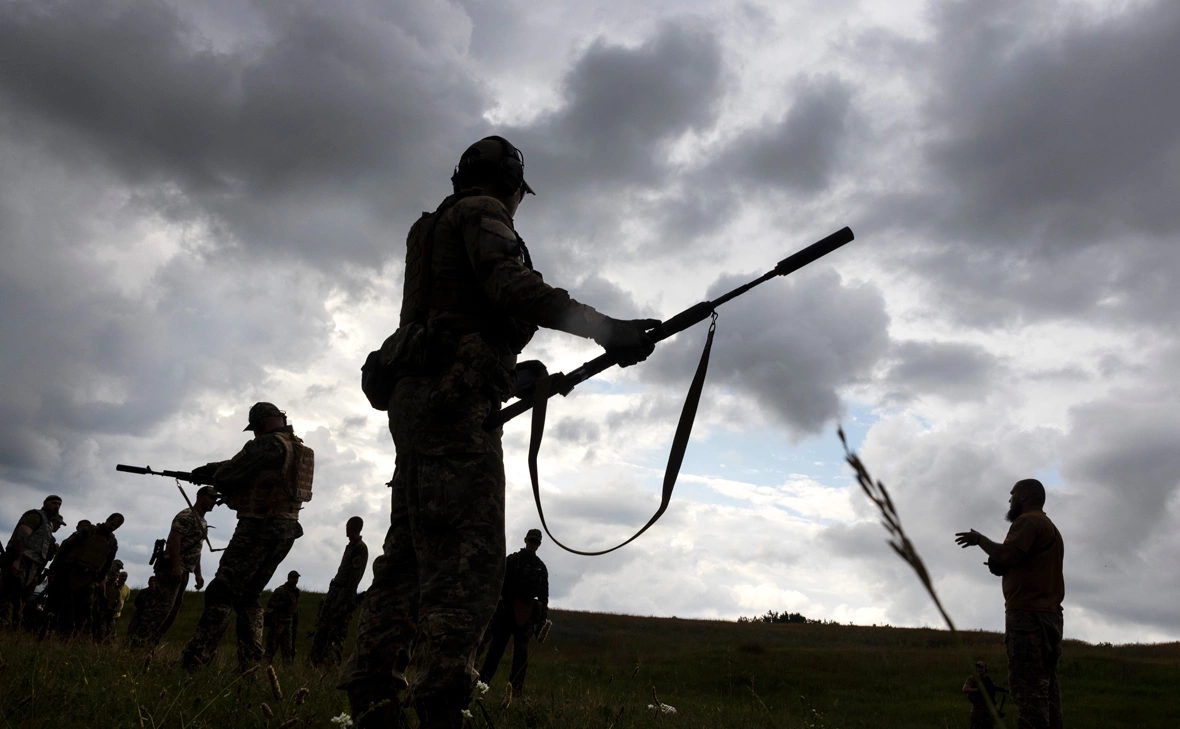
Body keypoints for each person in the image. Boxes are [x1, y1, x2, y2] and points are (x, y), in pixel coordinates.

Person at [339, 135, 657, 729]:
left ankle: (374, 698)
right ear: (511, 188)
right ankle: (440, 705)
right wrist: (605, 329)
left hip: (419, 398)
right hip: (453, 400)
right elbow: (512, 289)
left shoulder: (428, 228)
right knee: (468, 561)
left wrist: (513, 374)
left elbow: (454, 319)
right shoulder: (484, 214)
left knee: (408, 553)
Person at [181, 402, 314, 671]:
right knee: (249, 596)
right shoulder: (298, 448)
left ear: (261, 422)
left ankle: (195, 661)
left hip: (259, 527)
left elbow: (230, 473)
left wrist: (211, 473)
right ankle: (250, 666)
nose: (253, 435)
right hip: (287, 529)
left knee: (222, 590)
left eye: (254, 429)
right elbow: (253, 470)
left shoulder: (266, 445)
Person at [955, 478, 1065, 729]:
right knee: (1047, 691)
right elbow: (1019, 561)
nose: (1009, 500)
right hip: (1050, 617)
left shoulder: (1027, 522)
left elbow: (1008, 554)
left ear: (1024, 496)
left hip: (1027, 617)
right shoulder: (1051, 527)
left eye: (1012, 494)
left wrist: (979, 540)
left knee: (1028, 692)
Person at [127, 486, 218, 651]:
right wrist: (176, 565)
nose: (214, 502)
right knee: (159, 610)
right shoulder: (187, 516)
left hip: (184, 571)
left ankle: (148, 646)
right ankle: (137, 645)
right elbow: (174, 540)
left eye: (215, 499)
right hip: (171, 569)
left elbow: (196, 549)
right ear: (200, 497)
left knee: (170, 612)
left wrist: (198, 574)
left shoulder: (202, 521)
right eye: (211, 498)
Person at [480, 528, 549, 694]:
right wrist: (497, 605)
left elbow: (543, 598)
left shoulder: (540, 568)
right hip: (506, 613)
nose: (533, 544)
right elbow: (497, 582)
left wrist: (541, 623)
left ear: (539, 544)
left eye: (536, 542)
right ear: (525, 540)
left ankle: (515, 692)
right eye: (531, 540)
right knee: (495, 651)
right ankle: (481, 686)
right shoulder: (511, 560)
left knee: (521, 655)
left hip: (526, 615)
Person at [45, 513, 123, 637]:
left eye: (116, 526)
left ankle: (79, 639)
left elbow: (107, 563)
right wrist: (54, 570)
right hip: (70, 573)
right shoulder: (88, 531)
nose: (113, 527)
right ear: (107, 520)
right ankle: (54, 634)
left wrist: (98, 579)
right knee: (63, 608)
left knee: (85, 613)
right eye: (112, 524)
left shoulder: (112, 542)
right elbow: (65, 547)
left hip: (88, 579)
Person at [309, 516, 369, 667]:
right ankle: (314, 664)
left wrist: (347, 601)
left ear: (352, 527)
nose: (346, 530)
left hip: (343, 595)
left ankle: (331, 667)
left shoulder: (359, 548)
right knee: (321, 630)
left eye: (348, 526)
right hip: (335, 592)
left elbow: (354, 577)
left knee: (336, 633)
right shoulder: (351, 546)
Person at [1, 495, 64, 629]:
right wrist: (16, 561)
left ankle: (8, 628)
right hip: (21, 561)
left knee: (19, 598)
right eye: (54, 503)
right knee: (9, 595)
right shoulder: (36, 516)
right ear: (45, 503)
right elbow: (21, 537)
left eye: (59, 504)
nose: (57, 506)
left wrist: (36, 574)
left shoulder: (47, 524)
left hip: (32, 567)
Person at [265, 570, 301, 665]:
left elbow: (295, 609)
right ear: (288, 578)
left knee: (288, 650)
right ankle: (265, 667)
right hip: (277, 623)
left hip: (288, 625)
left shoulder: (296, 592)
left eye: (297, 578)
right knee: (271, 648)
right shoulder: (280, 590)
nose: (295, 580)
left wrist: (296, 623)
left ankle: (287, 672)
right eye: (293, 578)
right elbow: (270, 604)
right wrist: (282, 604)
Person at [963, 660, 1008, 729]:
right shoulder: (972, 679)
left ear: (985, 669)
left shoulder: (987, 680)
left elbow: (992, 696)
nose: (979, 669)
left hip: (988, 709)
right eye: (978, 667)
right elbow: (965, 689)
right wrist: (977, 690)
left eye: (981, 667)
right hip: (977, 709)